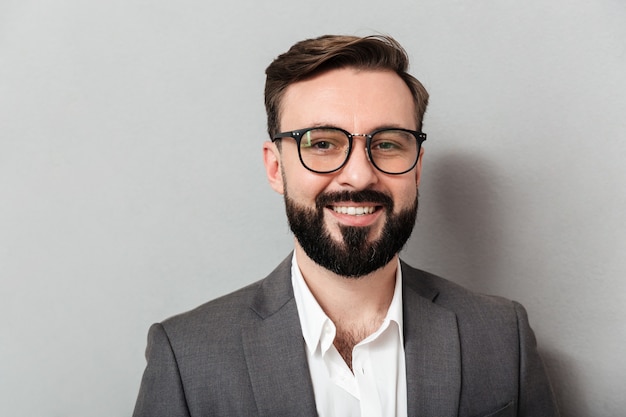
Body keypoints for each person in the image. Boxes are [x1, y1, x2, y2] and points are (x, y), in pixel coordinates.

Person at [133, 34, 559, 417]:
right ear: (275, 168)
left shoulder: (504, 336)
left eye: (388, 144)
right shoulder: (187, 357)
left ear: (417, 169)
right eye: (321, 143)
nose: (359, 176)